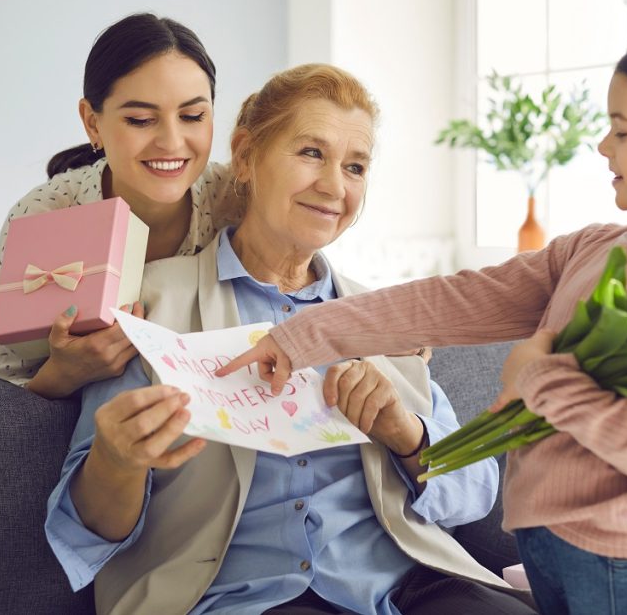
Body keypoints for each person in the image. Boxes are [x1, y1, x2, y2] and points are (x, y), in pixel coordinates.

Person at [220, 26, 627, 615]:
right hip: (551, 554)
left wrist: (540, 378)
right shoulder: (592, 249)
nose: (603, 146)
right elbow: (452, 301)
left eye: (623, 131)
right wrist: (300, 335)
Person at [44, 64, 537, 615]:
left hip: (410, 589)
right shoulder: (150, 307)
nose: (334, 186)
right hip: (235, 597)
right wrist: (117, 459)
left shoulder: (384, 318)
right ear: (247, 155)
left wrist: (405, 434)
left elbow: (475, 493)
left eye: (355, 166)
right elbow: (87, 528)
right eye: (310, 154)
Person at [0, 13, 243, 397]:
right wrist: (67, 373)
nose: (171, 141)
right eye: (140, 119)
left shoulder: (235, 200)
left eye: (192, 116)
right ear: (92, 123)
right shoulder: (46, 214)